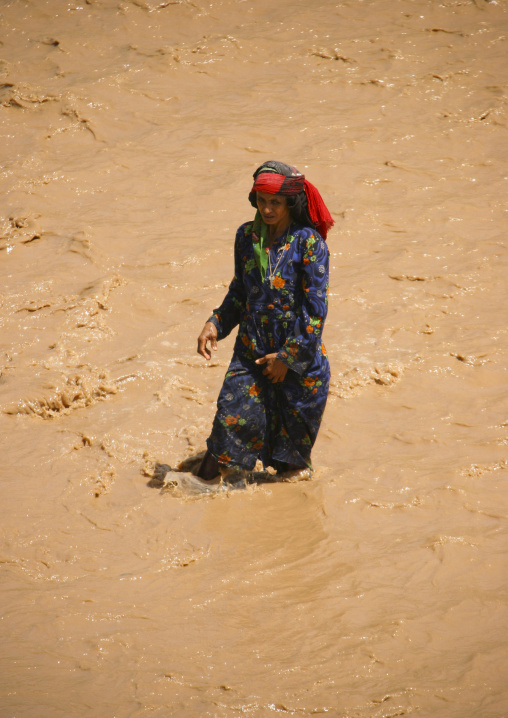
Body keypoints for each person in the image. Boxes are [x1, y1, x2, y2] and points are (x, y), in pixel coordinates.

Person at [196, 160, 333, 481]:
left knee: (289, 466)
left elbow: (315, 311)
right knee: (225, 434)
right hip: (251, 355)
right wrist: (215, 322)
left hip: (299, 365)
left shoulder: (310, 244)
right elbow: (240, 291)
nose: (267, 209)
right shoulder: (247, 237)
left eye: (275, 203)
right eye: (262, 201)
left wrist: (287, 358)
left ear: (290, 203)